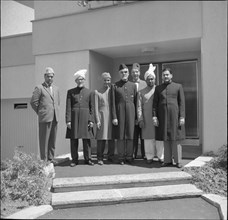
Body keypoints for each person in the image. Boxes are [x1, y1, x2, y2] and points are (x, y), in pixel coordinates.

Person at [153, 67, 185, 168]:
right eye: (164, 75)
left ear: (171, 75)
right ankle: (167, 160)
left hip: (175, 117)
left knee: (176, 138)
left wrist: (182, 116)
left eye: (167, 74)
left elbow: (182, 103)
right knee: (165, 138)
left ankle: (178, 161)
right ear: (162, 76)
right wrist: (154, 117)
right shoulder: (158, 88)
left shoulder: (178, 86)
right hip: (163, 117)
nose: (165, 76)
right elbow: (155, 104)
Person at [30, 67, 60, 165]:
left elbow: (57, 102)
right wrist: (41, 112)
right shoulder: (39, 88)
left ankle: (51, 158)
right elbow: (33, 102)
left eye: (51, 76)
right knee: (44, 140)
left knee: (52, 139)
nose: (50, 78)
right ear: (44, 76)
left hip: (55, 117)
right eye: (48, 76)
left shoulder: (56, 88)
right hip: (45, 118)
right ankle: (44, 160)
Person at [65, 69, 94, 167]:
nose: (80, 81)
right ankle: (74, 159)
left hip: (86, 118)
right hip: (74, 118)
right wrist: (68, 120)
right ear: (75, 81)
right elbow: (68, 107)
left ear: (84, 80)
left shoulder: (90, 92)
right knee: (74, 140)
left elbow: (92, 107)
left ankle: (88, 159)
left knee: (86, 139)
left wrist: (91, 120)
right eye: (78, 79)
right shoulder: (70, 92)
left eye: (82, 79)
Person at [137, 64, 164, 164]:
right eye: (148, 79)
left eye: (152, 79)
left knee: (159, 138)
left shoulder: (159, 90)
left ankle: (161, 156)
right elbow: (139, 107)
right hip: (146, 119)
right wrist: (140, 119)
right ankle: (149, 156)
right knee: (148, 139)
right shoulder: (141, 92)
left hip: (158, 118)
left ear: (155, 79)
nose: (150, 81)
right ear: (146, 80)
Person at [112, 63, 137, 165]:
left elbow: (136, 102)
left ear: (128, 73)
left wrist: (136, 117)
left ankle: (129, 156)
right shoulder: (114, 86)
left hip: (131, 113)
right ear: (119, 73)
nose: (124, 74)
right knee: (120, 135)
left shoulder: (133, 85)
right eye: (122, 72)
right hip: (119, 113)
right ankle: (121, 157)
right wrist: (114, 117)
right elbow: (112, 103)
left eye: (126, 72)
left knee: (131, 135)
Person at [94, 72, 115, 165]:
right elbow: (95, 108)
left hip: (111, 117)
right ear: (102, 81)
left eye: (108, 80)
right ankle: (100, 157)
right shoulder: (97, 92)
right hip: (102, 117)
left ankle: (110, 156)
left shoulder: (112, 91)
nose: (107, 82)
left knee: (111, 138)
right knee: (101, 139)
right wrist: (97, 120)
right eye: (105, 80)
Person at [131, 63, 147, 160]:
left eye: (136, 72)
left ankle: (145, 154)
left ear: (139, 73)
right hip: (132, 115)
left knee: (143, 136)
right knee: (134, 136)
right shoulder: (129, 84)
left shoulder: (145, 83)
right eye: (133, 72)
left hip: (143, 114)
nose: (135, 74)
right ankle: (133, 154)